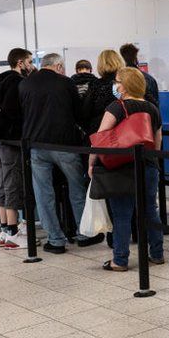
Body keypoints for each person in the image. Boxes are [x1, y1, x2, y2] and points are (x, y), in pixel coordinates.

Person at [20, 53, 104, 254]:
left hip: (36, 145)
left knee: (43, 194)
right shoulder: (65, 84)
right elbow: (79, 113)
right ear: (58, 66)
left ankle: (55, 240)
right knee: (76, 189)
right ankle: (84, 234)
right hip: (65, 145)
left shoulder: (25, 84)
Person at [89, 68, 164, 270]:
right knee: (150, 210)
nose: (116, 85)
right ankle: (157, 254)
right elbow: (157, 142)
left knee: (122, 214)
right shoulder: (152, 108)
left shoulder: (116, 107)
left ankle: (120, 260)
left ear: (126, 84)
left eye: (118, 81)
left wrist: (91, 163)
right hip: (147, 166)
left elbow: (100, 138)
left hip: (120, 167)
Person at [0, 48, 35, 249]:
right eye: (30, 61)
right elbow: (13, 112)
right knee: (13, 184)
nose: (32, 66)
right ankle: (14, 233)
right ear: (21, 62)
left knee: (3, 184)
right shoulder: (16, 83)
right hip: (10, 142)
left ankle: (6, 230)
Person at [81, 50, 127, 135]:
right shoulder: (126, 83)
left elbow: (85, 112)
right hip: (124, 131)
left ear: (100, 64)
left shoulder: (95, 84)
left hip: (99, 132)